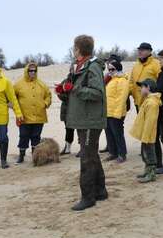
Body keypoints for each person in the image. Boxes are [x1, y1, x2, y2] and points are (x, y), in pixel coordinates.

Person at [65, 35, 108, 211]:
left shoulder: (93, 67)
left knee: (87, 158)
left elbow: (97, 93)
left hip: (91, 120)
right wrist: (64, 90)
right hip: (82, 118)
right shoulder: (78, 67)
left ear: (79, 49)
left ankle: (88, 197)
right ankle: (100, 190)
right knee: (91, 155)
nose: (73, 50)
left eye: (74, 47)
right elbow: (75, 89)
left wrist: (75, 89)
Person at [14, 62, 52, 164]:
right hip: (24, 117)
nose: (32, 72)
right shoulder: (18, 85)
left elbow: (48, 95)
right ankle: (21, 156)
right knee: (23, 136)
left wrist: (45, 103)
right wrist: (17, 111)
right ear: (26, 71)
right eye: (30, 70)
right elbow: (12, 98)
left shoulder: (42, 84)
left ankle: (35, 157)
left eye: (34, 70)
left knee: (36, 137)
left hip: (39, 116)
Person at [130, 79, 162, 183]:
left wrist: (146, 136)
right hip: (145, 134)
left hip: (148, 135)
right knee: (145, 154)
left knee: (149, 154)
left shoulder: (152, 103)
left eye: (142, 87)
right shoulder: (148, 100)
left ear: (148, 87)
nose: (140, 89)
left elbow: (150, 121)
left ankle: (151, 174)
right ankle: (147, 171)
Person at [104, 59, 130, 163]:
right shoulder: (110, 80)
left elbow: (121, 98)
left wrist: (117, 114)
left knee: (117, 134)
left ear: (118, 68)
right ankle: (113, 153)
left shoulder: (122, 80)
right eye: (109, 69)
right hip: (107, 112)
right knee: (109, 134)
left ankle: (122, 154)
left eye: (112, 69)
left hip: (116, 113)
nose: (110, 71)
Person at [129, 42, 161, 111]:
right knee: (140, 121)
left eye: (143, 50)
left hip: (150, 102)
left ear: (149, 51)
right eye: (139, 50)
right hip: (137, 101)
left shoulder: (156, 64)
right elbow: (131, 81)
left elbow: (161, 81)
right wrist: (131, 92)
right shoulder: (136, 65)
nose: (140, 52)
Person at [55, 73, 76, 155]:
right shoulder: (65, 81)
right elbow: (60, 94)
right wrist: (59, 93)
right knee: (68, 129)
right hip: (66, 109)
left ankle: (83, 148)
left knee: (80, 129)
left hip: (78, 109)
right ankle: (67, 148)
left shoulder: (81, 79)